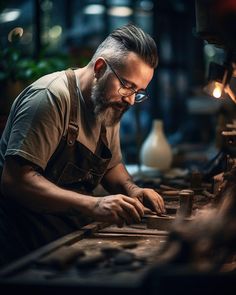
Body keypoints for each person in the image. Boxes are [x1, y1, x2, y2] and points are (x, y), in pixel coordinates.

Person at [0, 23, 165, 267]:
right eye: (128, 86)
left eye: (138, 91)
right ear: (100, 67)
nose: (130, 100)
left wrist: (132, 190)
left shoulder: (108, 102)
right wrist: (95, 204)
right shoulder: (50, 97)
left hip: (63, 233)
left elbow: (112, 166)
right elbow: (16, 181)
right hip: (22, 239)